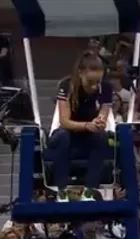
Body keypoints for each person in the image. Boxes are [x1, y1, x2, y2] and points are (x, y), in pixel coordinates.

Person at [47, 51, 114, 202]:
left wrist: (100, 122)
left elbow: (104, 113)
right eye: (90, 82)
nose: (94, 87)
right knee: (63, 137)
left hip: (89, 134)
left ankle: (90, 190)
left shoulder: (106, 88)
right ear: (80, 73)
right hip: (67, 132)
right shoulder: (67, 85)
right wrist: (86, 125)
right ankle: (61, 191)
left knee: (102, 137)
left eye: (97, 82)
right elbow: (64, 121)